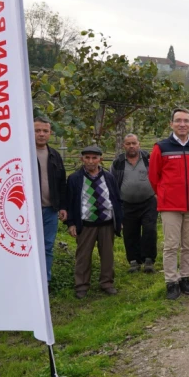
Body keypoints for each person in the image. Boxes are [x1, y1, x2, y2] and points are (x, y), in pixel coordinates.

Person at [149, 108, 189, 300]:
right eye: (178, 120)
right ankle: (171, 281)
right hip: (170, 206)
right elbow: (153, 176)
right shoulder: (161, 147)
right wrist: (163, 195)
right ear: (171, 124)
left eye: (186, 121)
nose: (182, 124)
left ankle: (185, 277)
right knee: (171, 245)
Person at [65, 145, 123, 299]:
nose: (91, 161)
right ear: (82, 159)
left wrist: (119, 219)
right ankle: (81, 285)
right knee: (83, 256)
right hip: (86, 223)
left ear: (100, 159)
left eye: (94, 158)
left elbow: (116, 199)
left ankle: (107, 283)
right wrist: (71, 223)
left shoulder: (109, 177)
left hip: (107, 222)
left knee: (107, 255)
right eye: (87, 158)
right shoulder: (75, 179)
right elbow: (69, 202)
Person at [111, 133, 156, 274]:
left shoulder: (149, 159)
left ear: (139, 144)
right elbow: (112, 183)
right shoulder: (118, 162)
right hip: (127, 204)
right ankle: (134, 261)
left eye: (134, 143)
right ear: (123, 145)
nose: (131, 146)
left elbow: (158, 175)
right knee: (130, 233)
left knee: (149, 230)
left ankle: (149, 260)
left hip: (148, 202)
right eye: (128, 144)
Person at [33, 116, 67, 282]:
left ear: (50, 133)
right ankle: (30, 282)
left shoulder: (54, 155)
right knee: (28, 247)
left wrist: (62, 206)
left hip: (50, 210)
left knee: (47, 246)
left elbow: (62, 182)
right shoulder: (24, 154)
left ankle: (44, 282)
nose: (41, 134)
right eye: (37, 130)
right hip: (28, 211)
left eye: (45, 131)